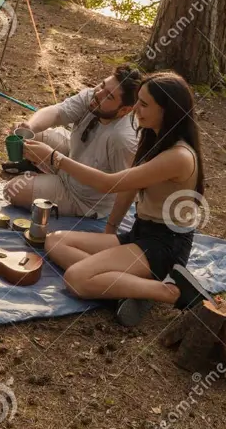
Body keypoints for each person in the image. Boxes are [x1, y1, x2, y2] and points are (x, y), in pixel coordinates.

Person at [22, 72, 214, 327]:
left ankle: (169, 291)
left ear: (168, 111)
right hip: (139, 233)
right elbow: (129, 189)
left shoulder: (178, 156)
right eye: (138, 101)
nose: (135, 109)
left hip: (163, 247)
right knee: (55, 241)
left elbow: (110, 183)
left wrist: (56, 159)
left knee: (75, 278)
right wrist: (111, 229)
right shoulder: (154, 137)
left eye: (144, 104)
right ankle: (127, 288)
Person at [4, 66, 142, 221]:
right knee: (33, 135)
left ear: (124, 110)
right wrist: (29, 127)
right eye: (103, 85)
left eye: (108, 96)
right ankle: (44, 171)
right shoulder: (94, 97)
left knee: (12, 190)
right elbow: (57, 112)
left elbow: (119, 186)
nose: (98, 94)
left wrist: (53, 158)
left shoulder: (124, 139)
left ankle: (44, 172)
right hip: (71, 157)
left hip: (82, 197)